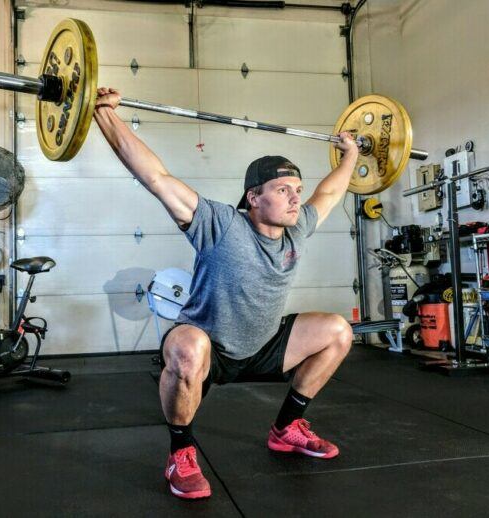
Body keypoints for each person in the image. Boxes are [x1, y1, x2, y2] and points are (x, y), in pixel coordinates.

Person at [93, 87, 358, 500]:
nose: (295, 197)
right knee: (186, 349)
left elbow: (331, 192)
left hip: (265, 344)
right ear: (254, 198)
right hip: (209, 345)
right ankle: (180, 451)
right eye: (284, 189)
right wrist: (105, 114)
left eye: (297, 188)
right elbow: (155, 177)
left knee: (339, 331)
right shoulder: (219, 223)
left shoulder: (298, 228)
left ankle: (287, 427)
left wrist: (352, 156)